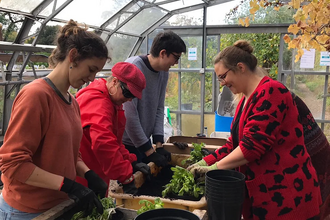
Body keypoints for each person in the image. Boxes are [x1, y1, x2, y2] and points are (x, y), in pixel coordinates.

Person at [188, 40, 322, 219]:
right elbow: (234, 145)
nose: (221, 83)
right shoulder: (245, 99)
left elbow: (252, 147)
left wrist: (214, 168)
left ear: (241, 67)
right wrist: (204, 162)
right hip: (265, 195)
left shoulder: (272, 92)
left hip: (288, 197)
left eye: (223, 76)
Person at [0, 20, 109, 219]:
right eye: (91, 69)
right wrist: (67, 184)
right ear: (73, 56)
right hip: (26, 210)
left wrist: (89, 174)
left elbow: (69, 154)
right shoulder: (36, 95)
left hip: (58, 206)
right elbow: (13, 164)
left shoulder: (72, 101)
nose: (93, 78)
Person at [75, 62, 150, 195]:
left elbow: (114, 140)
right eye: (127, 94)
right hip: (84, 174)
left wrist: (130, 161)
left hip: (98, 169)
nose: (128, 100)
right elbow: (103, 143)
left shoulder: (112, 100)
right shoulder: (98, 102)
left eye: (132, 97)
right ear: (115, 82)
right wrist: (125, 176)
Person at [122, 30, 186, 167]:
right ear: (163, 53)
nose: (176, 63)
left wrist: (159, 143)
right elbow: (129, 115)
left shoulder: (163, 72)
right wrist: (149, 152)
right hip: (127, 144)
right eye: (176, 58)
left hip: (144, 142)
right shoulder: (134, 68)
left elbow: (159, 107)